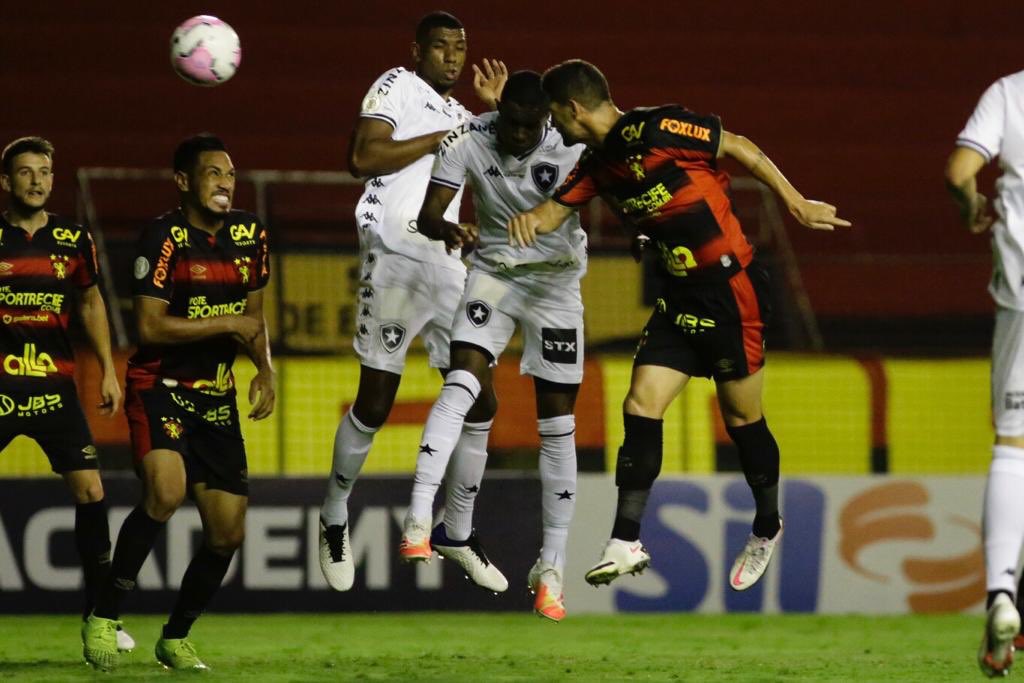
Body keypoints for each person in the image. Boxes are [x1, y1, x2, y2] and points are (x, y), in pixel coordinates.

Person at [508, 59, 849, 591]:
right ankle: (625, 540)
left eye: (556, 115)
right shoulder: (596, 164)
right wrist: (519, 222)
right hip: (678, 295)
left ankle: (766, 524)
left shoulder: (656, 128)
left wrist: (795, 203)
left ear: (574, 108)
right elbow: (551, 212)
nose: (554, 127)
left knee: (741, 419)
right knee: (640, 402)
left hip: (732, 290)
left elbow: (738, 146)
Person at [318, 10, 507, 591]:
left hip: (447, 260)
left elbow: (500, 176)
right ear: (419, 50)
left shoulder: (464, 118)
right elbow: (362, 159)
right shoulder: (396, 85)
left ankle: (458, 530)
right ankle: (332, 513)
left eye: (462, 47)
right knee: (375, 403)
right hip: (395, 252)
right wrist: (446, 137)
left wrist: (494, 118)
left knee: (482, 400)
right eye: (443, 46)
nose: (453, 56)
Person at [81, 134, 274, 671]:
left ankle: (176, 637)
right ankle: (104, 615)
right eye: (213, 174)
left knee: (227, 533)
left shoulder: (250, 233)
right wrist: (228, 322)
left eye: (230, 174)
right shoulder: (162, 237)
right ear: (184, 182)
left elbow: (254, 320)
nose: (225, 183)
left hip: (216, 397)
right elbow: (149, 326)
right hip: (158, 386)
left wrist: (265, 369)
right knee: (165, 492)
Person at [401, 70, 586, 620]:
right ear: (499, 113)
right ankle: (418, 518)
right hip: (493, 276)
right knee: (463, 381)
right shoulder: (467, 140)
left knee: (556, 424)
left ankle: (551, 565)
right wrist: (450, 232)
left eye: (532, 126)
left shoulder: (573, 148)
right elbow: (430, 215)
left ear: (548, 118)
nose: (521, 136)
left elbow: (620, 196)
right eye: (512, 123)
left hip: (556, 285)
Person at [0, 136, 134, 655]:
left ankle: (99, 617)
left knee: (91, 494)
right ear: (7, 182)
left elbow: (91, 300)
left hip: (55, 389)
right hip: (4, 389)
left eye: (44, 172)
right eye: (25, 172)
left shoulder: (73, 238)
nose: (36, 180)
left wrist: (106, 369)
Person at [945, 68, 1024, 678]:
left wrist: (973, 204)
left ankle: (1001, 592)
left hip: (1021, 301)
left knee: (1013, 449)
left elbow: (959, 171)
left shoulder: (1008, 92)